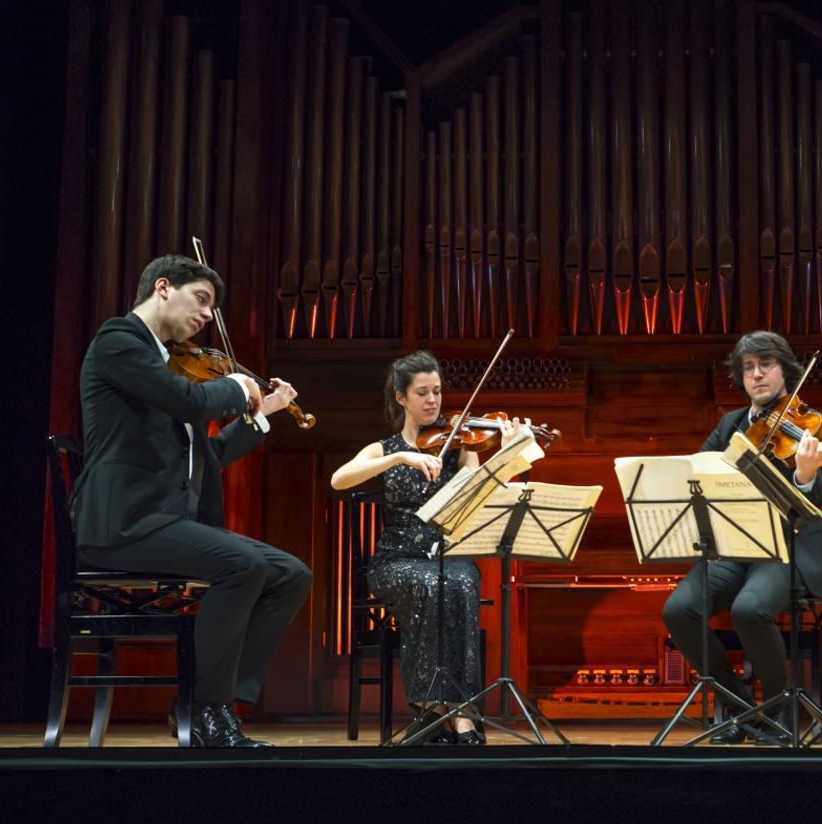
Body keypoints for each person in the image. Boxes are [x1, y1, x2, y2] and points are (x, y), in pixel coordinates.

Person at [72, 254, 313, 748]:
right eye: (201, 300)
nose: (207, 315)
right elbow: (189, 402)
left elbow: (208, 456)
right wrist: (233, 386)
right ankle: (205, 710)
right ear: (163, 287)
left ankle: (221, 702)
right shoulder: (119, 341)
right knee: (243, 564)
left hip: (161, 522)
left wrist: (260, 413)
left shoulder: (169, 366)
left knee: (292, 573)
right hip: (121, 523)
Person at [331, 351, 530, 745]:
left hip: (450, 556)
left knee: (459, 583)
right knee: (431, 585)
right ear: (401, 397)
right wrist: (399, 458)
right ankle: (435, 708)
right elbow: (339, 479)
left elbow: (481, 493)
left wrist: (509, 451)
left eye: (437, 391)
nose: (432, 401)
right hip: (396, 561)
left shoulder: (459, 446)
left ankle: (460, 714)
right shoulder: (385, 449)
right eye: (422, 392)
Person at [661, 331, 822, 745]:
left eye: (766, 365)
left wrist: (806, 474)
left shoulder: (813, 425)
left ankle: (777, 710)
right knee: (678, 610)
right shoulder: (732, 424)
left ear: (785, 370)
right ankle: (743, 709)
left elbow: (811, 498)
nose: (757, 375)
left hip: (783, 548)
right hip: (731, 546)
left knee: (750, 610)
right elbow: (697, 469)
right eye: (748, 368)